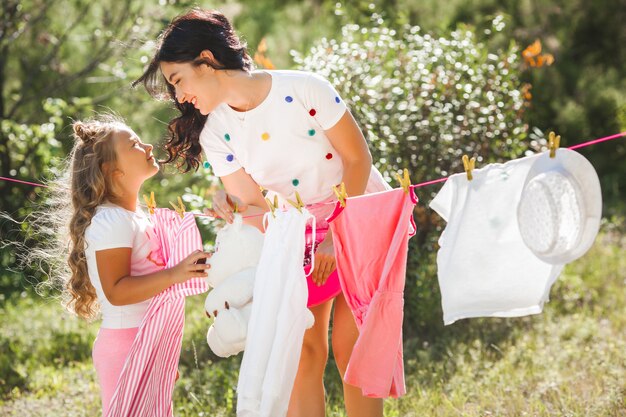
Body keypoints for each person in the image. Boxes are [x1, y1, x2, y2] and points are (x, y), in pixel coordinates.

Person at [135, 8, 388, 417]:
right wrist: (233, 205)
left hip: (357, 214)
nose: (179, 96)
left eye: (178, 80)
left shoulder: (307, 88)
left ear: (208, 59)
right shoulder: (215, 131)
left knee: (352, 343)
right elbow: (254, 204)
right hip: (296, 232)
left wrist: (335, 236)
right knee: (303, 346)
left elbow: (358, 160)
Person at [62, 117, 211, 415]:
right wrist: (176, 273)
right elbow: (117, 291)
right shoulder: (110, 221)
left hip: (146, 339)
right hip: (126, 345)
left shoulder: (134, 217)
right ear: (112, 170)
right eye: (133, 144)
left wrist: (162, 353)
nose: (146, 145)